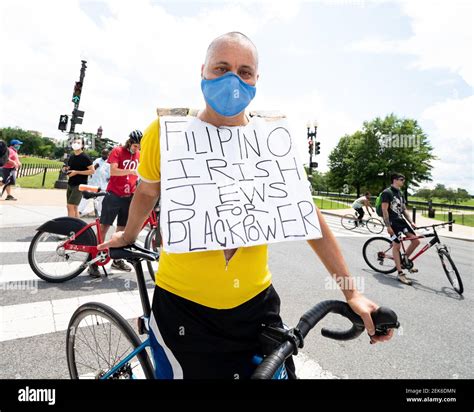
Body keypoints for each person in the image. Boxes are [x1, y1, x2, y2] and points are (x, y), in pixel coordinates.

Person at [98, 32, 393, 379]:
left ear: (256, 80)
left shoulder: (274, 140)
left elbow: (307, 216)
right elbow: (147, 192)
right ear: (203, 71)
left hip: (256, 309)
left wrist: (353, 293)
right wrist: (127, 234)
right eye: (221, 68)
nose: (233, 80)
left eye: (244, 72)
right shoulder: (164, 133)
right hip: (182, 309)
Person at [89, 131, 141, 277]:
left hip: (128, 196)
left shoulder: (138, 155)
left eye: (139, 147)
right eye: (135, 145)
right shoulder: (118, 151)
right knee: (104, 227)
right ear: (130, 142)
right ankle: (93, 260)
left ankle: (117, 260)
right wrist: (131, 171)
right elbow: (114, 171)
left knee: (121, 231)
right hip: (113, 195)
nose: (137, 149)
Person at [381, 173, 420, 285]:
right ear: (394, 180)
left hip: (401, 221)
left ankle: (404, 261)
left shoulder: (400, 193)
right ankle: (400, 273)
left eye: (403, 179)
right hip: (392, 223)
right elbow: (384, 210)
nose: (403, 181)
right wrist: (388, 226)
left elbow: (403, 209)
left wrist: (411, 221)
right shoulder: (387, 192)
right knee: (397, 246)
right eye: (401, 179)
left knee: (416, 240)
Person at [64, 137, 95, 217]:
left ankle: (70, 225)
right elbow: (71, 168)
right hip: (70, 184)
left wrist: (77, 172)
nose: (75, 144)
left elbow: (92, 171)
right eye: (74, 142)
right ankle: (78, 227)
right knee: (74, 207)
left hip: (80, 185)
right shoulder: (72, 156)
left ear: (82, 145)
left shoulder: (85, 157)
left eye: (78, 143)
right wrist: (66, 169)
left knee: (70, 206)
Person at [78, 149, 110, 217]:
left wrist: (110, 178)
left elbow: (111, 174)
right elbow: (91, 170)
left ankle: (100, 213)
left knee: (101, 200)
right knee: (86, 197)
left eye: (105, 154)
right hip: (93, 183)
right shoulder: (97, 160)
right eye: (103, 154)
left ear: (108, 154)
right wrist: (95, 166)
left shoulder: (110, 163)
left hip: (103, 184)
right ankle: (79, 210)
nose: (103, 155)